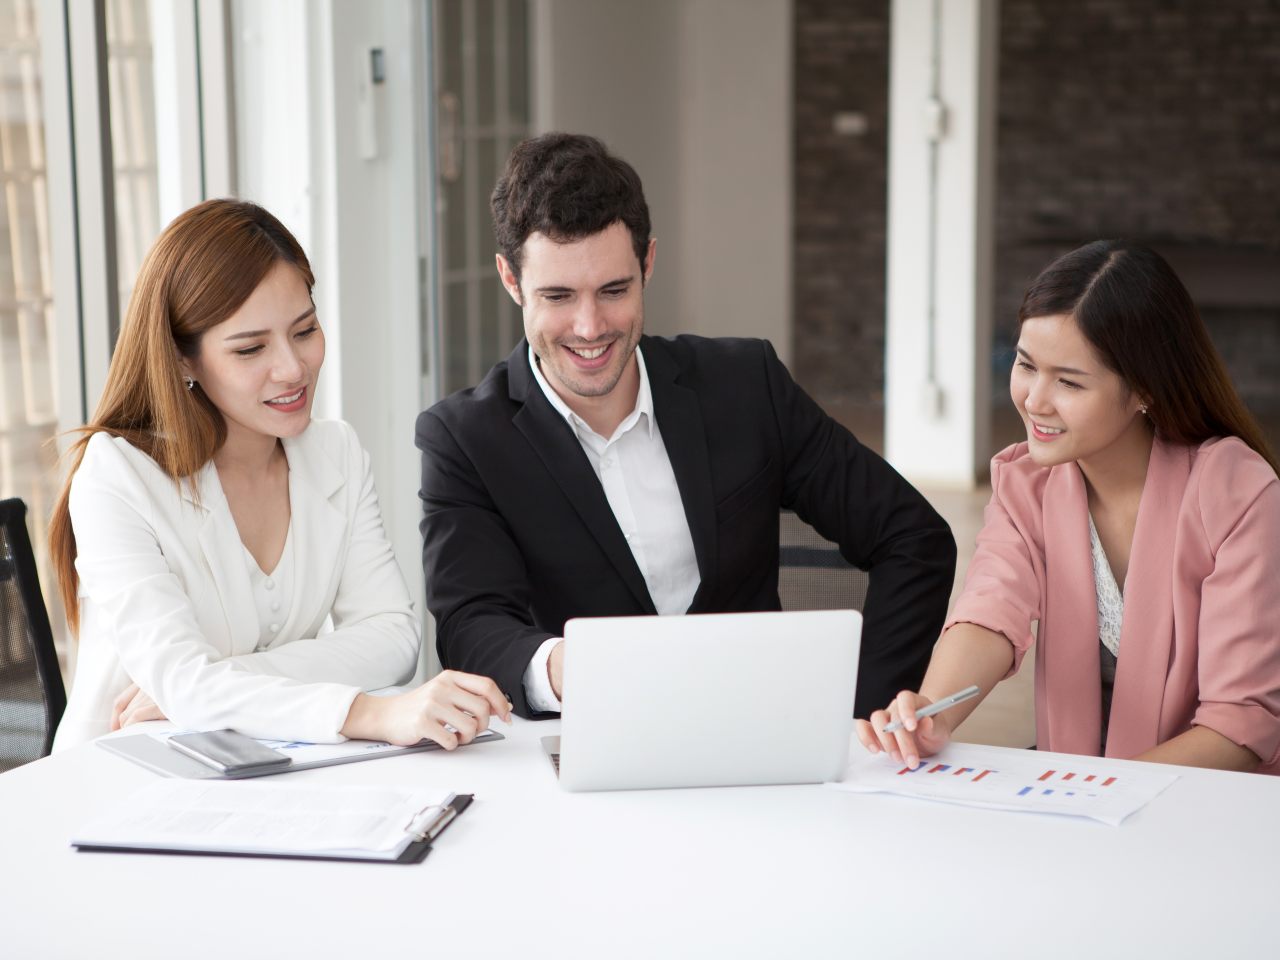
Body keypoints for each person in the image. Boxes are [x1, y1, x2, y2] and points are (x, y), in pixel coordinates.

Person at [417, 132, 956, 719]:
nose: (590, 326)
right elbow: (471, 624)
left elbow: (913, 537)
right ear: (510, 279)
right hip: (586, 753)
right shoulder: (463, 440)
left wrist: (860, 713)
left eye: (614, 290)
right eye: (558, 296)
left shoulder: (747, 385)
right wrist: (563, 667)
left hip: (761, 741)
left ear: (648, 262)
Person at [50, 199, 509, 751]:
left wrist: (225, 681)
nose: (293, 369)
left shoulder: (335, 453)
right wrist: (369, 713)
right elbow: (184, 684)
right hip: (122, 778)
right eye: (250, 348)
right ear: (182, 359)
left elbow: (393, 637)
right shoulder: (118, 475)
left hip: (260, 768)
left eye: (305, 329)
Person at [856, 240, 1280, 774]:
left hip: (1206, 809)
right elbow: (990, 612)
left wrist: (1104, 792)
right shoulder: (1026, 482)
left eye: (1069, 381)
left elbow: (1239, 723)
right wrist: (933, 708)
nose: (1035, 399)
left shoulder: (1236, 489)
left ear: (1144, 389)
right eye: (1026, 366)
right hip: (1083, 795)